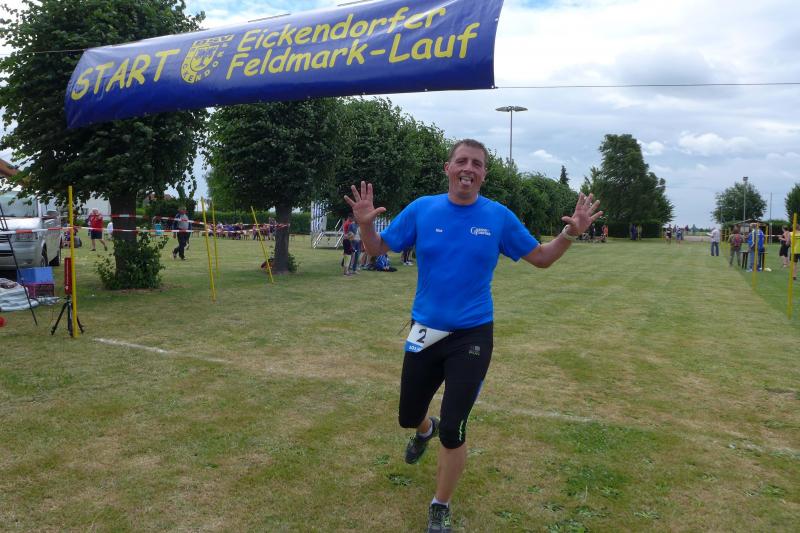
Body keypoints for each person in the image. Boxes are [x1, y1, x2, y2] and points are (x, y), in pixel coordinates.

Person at [344, 139, 602, 533]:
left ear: (483, 174)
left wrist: (570, 234)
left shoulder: (498, 217)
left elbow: (541, 258)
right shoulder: (422, 209)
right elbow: (377, 249)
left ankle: (440, 505)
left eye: (477, 164)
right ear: (447, 168)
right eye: (461, 161)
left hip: (472, 334)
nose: (468, 168)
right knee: (408, 416)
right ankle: (423, 430)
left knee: (454, 427)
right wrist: (365, 224)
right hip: (425, 330)